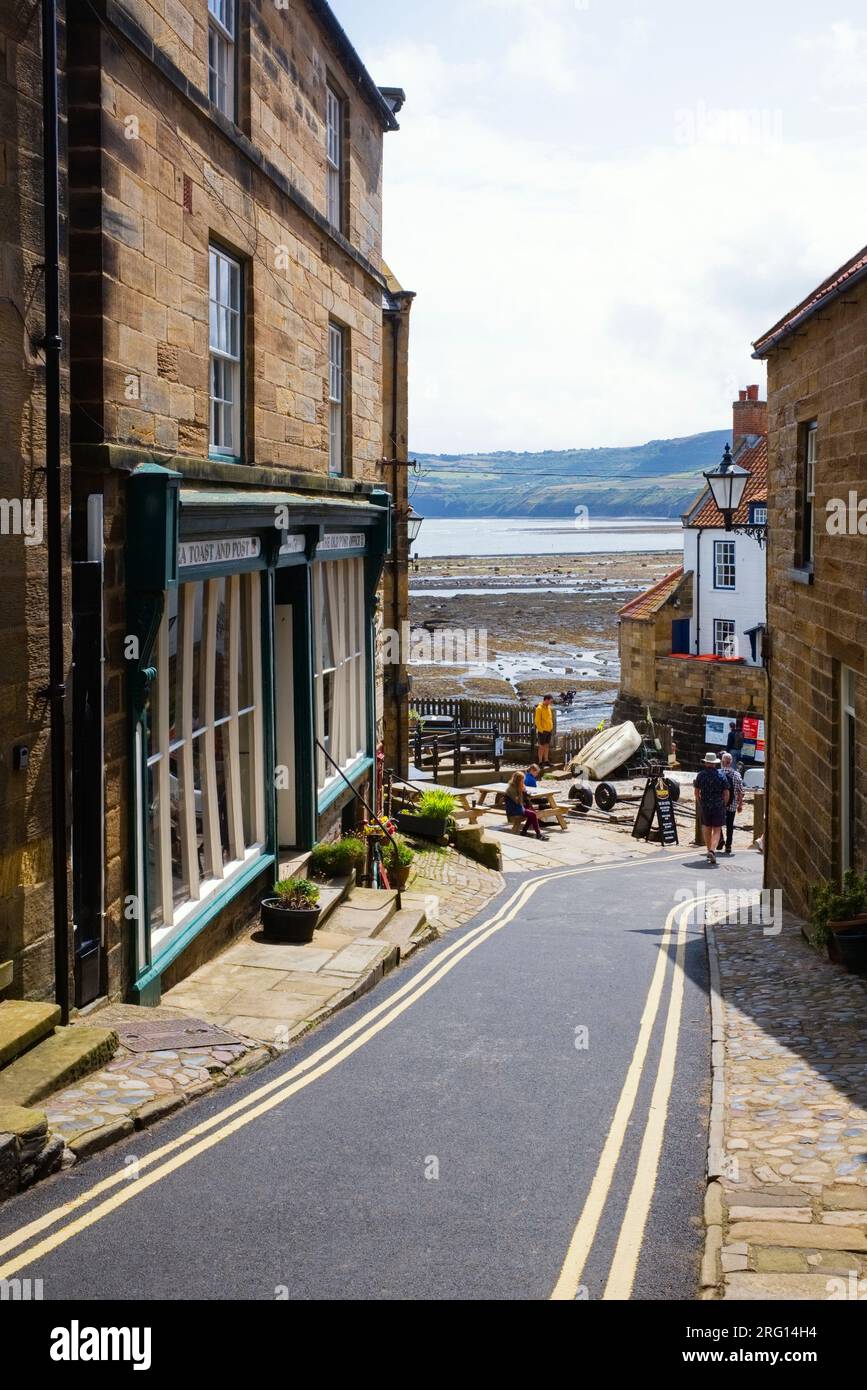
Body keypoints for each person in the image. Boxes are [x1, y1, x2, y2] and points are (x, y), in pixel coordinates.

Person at [693, 752, 730, 866]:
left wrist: (701, 802)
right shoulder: (721, 776)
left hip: (706, 805)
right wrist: (724, 804)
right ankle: (712, 850)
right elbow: (726, 793)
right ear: (715, 764)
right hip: (718, 805)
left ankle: (709, 850)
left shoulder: (700, 775)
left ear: (706, 763)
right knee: (717, 829)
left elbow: (696, 792)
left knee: (707, 828)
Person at [504, 771, 549, 840]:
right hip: (513, 810)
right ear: (517, 781)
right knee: (533, 814)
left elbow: (522, 800)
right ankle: (538, 834)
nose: (523, 783)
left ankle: (524, 831)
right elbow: (518, 802)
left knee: (531, 811)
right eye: (522, 781)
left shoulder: (517, 786)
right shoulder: (511, 789)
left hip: (517, 807)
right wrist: (521, 791)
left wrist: (524, 792)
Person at [717, 751, 745, 856]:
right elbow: (740, 791)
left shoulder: (718, 773)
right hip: (732, 804)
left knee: (717, 822)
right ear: (731, 762)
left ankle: (720, 839)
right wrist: (740, 804)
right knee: (729, 825)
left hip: (719, 803)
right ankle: (728, 846)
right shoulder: (736, 774)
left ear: (722, 762)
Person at [534, 694, 554, 769]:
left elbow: (550, 718)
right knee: (541, 746)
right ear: (546, 700)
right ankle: (540, 762)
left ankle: (546, 761)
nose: (550, 703)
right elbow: (537, 721)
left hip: (549, 730)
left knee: (547, 745)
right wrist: (541, 730)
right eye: (550, 701)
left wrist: (551, 727)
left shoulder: (549, 707)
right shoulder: (539, 708)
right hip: (542, 731)